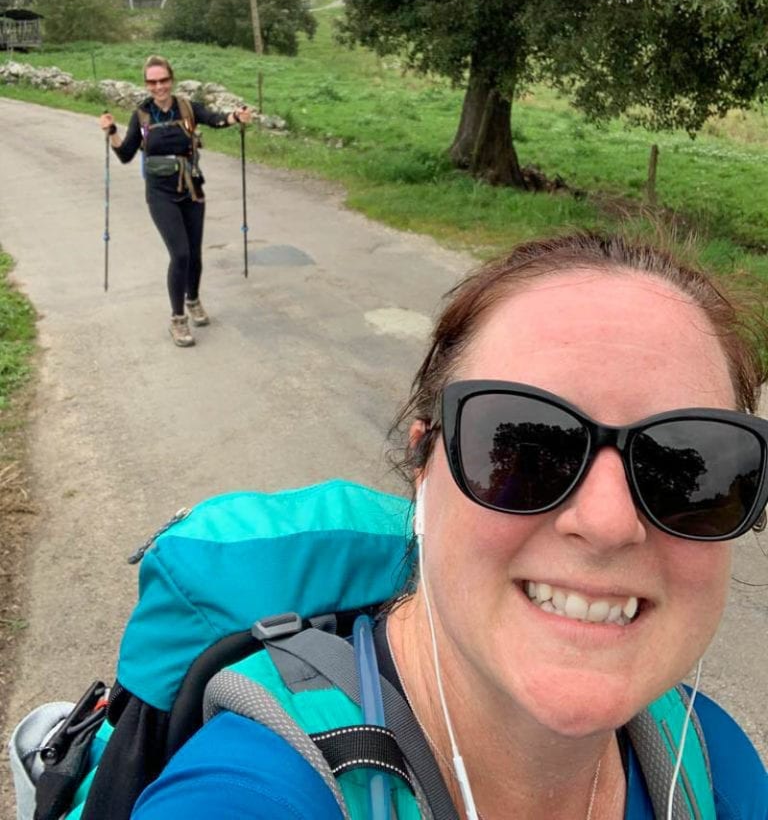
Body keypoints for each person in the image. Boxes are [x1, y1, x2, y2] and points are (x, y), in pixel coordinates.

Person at [130, 230, 768, 818]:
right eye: (523, 449)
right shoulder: (252, 792)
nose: (607, 522)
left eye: (690, 471)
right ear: (423, 469)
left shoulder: (718, 770)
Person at [99, 55, 253, 347]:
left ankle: (193, 299)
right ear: (146, 84)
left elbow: (216, 120)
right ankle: (178, 319)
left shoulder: (187, 108)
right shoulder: (142, 116)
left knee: (194, 254)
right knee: (180, 254)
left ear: (172, 79)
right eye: (152, 82)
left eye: (163, 80)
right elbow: (126, 155)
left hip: (192, 189)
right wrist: (112, 133)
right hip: (160, 194)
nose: (159, 87)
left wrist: (237, 116)